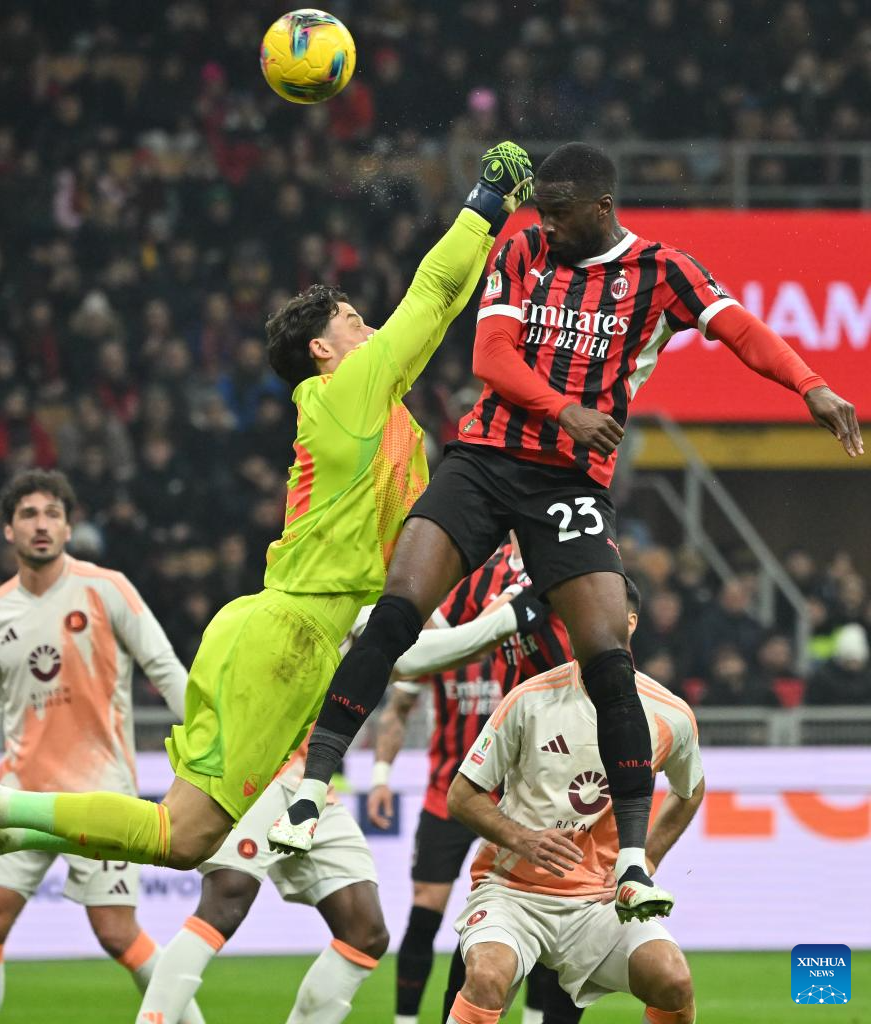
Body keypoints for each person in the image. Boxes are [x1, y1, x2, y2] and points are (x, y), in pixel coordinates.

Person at [0, 143, 537, 909]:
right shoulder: (347, 392)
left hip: (288, 638)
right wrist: (485, 201)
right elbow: (432, 291)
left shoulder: (370, 401)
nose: (373, 327)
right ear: (323, 351)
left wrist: (497, 220)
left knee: (187, 839)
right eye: (355, 321)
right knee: (180, 837)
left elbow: (441, 310)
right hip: (287, 638)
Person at [276, 141, 862, 923]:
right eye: (539, 211)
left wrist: (810, 384)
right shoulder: (522, 251)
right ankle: (311, 789)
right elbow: (491, 358)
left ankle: (631, 863)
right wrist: (565, 410)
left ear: (600, 208)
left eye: (558, 213)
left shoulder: (663, 271)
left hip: (568, 485)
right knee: (397, 611)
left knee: (609, 660)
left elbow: (742, 329)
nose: (544, 225)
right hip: (484, 461)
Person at [136, 574, 549, 1024]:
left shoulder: (357, 599)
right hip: (261, 770)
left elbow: (420, 652)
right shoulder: (323, 595)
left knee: (365, 932)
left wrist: (502, 618)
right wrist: (510, 615)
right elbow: (418, 656)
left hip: (310, 783)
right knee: (227, 897)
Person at [0, 470, 205, 1024]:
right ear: (8, 530)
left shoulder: (107, 588)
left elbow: (164, 668)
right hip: (20, 794)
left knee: (116, 930)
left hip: (102, 793)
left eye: (52, 514)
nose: (41, 524)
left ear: (69, 527)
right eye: (29, 514)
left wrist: (209, 741)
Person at [445, 579, 704, 1024]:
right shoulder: (529, 700)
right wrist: (521, 838)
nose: (586, 620)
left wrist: (644, 860)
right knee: (486, 977)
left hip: (599, 904)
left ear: (630, 622)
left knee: (673, 980)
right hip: (513, 892)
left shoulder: (670, 714)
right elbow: (461, 795)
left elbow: (691, 789)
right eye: (577, 611)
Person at [365, 537, 577, 1024]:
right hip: (448, 792)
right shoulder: (445, 644)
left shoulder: (528, 636)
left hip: (513, 795)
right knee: (427, 908)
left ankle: (530, 1017)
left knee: (536, 906)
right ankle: (405, 1020)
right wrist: (380, 777)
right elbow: (399, 704)